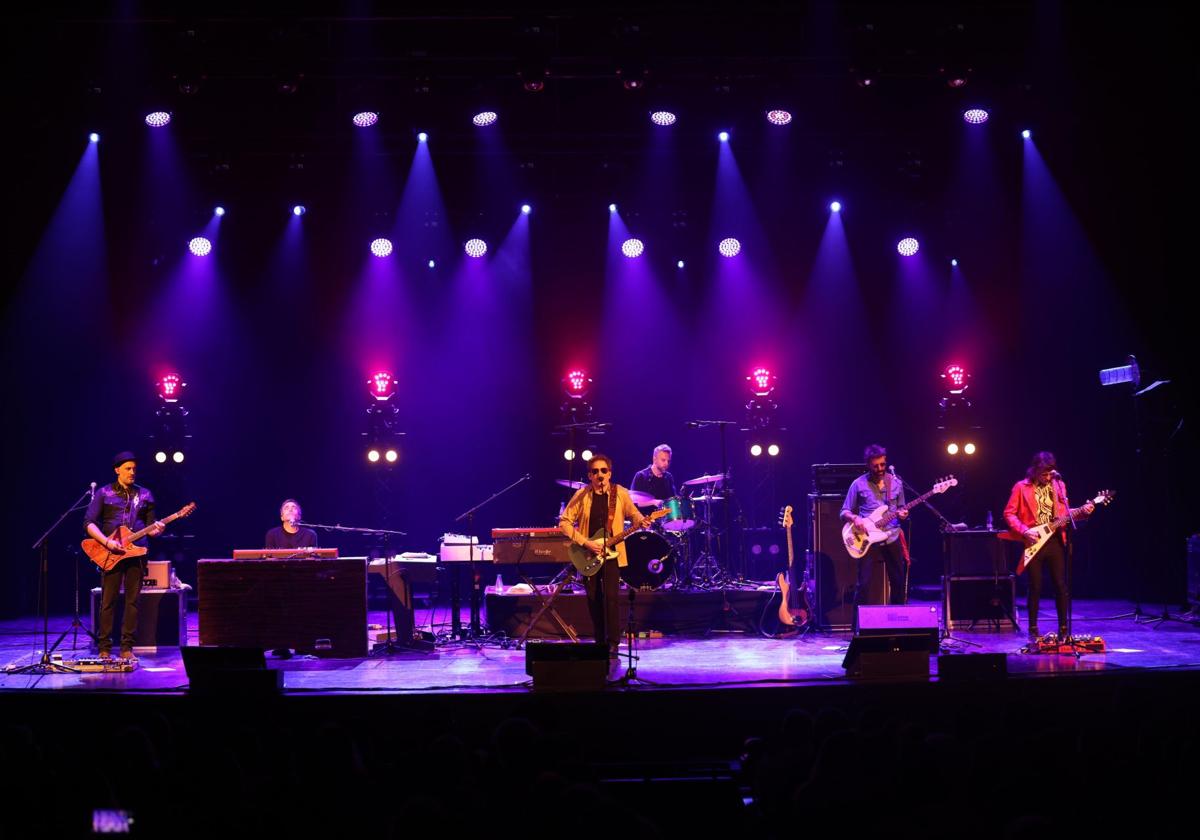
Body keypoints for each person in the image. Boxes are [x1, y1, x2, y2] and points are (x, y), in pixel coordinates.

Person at [559, 454, 650, 657]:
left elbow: (633, 513)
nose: (600, 474)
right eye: (595, 471)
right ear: (589, 475)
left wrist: (640, 519)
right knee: (593, 598)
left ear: (610, 473)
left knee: (611, 598)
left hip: (612, 554)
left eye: (604, 471)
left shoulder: (620, 493)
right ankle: (599, 641)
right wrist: (585, 542)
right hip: (588, 553)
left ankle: (613, 643)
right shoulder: (582, 495)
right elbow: (564, 522)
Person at [1002, 451, 1094, 640]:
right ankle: (1033, 628)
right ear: (1034, 471)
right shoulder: (1021, 487)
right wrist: (1024, 530)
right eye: (1044, 474)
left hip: (1056, 540)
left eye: (1050, 473)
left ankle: (1063, 628)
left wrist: (1084, 511)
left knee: (1060, 585)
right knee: (1035, 585)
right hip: (1034, 540)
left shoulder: (1059, 485)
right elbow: (1009, 514)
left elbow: (1066, 515)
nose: (1047, 477)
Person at [84, 452, 164, 659]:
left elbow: (150, 528)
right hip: (110, 552)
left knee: (132, 601)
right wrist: (107, 542)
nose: (132, 472)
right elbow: (89, 523)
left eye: (134, 469)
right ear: (117, 470)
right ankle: (104, 648)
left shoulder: (145, 495)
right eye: (128, 468)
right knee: (108, 600)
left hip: (137, 552)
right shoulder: (104, 493)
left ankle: (127, 648)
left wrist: (157, 529)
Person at [840, 444, 909, 606]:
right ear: (868, 465)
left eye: (883, 465)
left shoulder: (896, 483)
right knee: (863, 584)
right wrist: (855, 518)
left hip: (892, 535)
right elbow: (844, 511)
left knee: (898, 582)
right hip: (867, 537)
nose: (880, 468)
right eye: (875, 466)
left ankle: (897, 624)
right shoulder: (858, 484)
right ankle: (858, 627)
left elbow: (901, 508)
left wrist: (904, 514)